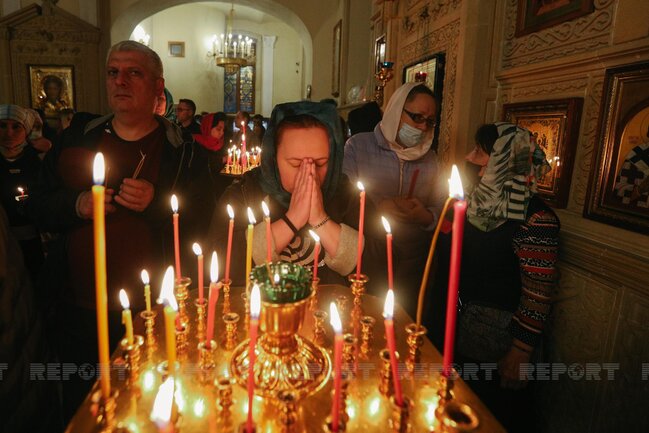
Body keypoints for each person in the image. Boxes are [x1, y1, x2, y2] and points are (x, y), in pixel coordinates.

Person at [26, 40, 211, 422]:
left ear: (158, 87)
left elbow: (201, 222)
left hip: (151, 312)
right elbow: (38, 205)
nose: (120, 81)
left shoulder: (183, 150)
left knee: (147, 406)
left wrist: (158, 202)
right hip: (78, 309)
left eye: (133, 73)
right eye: (113, 72)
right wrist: (75, 205)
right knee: (86, 408)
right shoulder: (77, 137)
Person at [431, 122, 560, 433]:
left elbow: (538, 294)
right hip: (456, 334)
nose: (468, 156)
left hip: (498, 349)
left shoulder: (537, 220)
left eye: (479, 151)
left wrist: (521, 351)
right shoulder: (470, 204)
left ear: (503, 159)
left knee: (490, 419)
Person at [208, 101, 384, 288]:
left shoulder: (350, 197)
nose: (309, 174)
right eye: (295, 163)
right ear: (274, 158)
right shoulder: (243, 193)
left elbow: (381, 268)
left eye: (321, 163)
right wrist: (292, 220)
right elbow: (217, 265)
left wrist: (320, 220)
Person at [343, 82, 445, 316]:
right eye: (416, 117)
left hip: (414, 262)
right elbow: (345, 196)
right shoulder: (358, 146)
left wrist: (426, 216)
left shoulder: (430, 159)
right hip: (370, 255)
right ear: (397, 110)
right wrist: (380, 206)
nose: (422, 127)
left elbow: (443, 204)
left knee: (405, 326)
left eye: (429, 121)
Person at [0, 104, 45, 282]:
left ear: (26, 130)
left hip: (35, 242)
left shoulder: (37, 161)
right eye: (2, 126)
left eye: (16, 127)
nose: (8, 133)